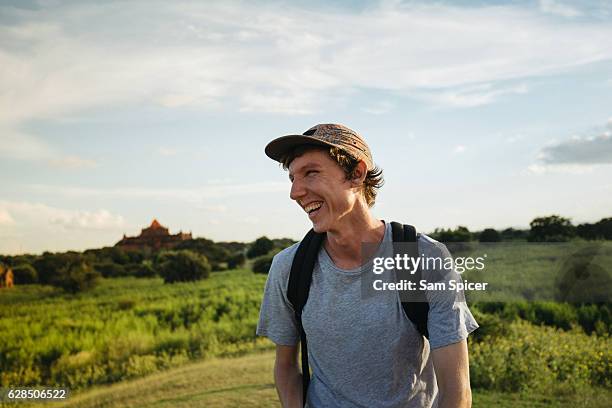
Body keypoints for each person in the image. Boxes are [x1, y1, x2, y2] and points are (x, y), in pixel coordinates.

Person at [256, 123, 479, 407]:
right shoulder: (289, 267)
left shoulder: (424, 259)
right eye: (292, 178)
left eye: (311, 173)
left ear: (356, 174)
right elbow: (286, 367)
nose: (295, 192)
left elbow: (456, 392)